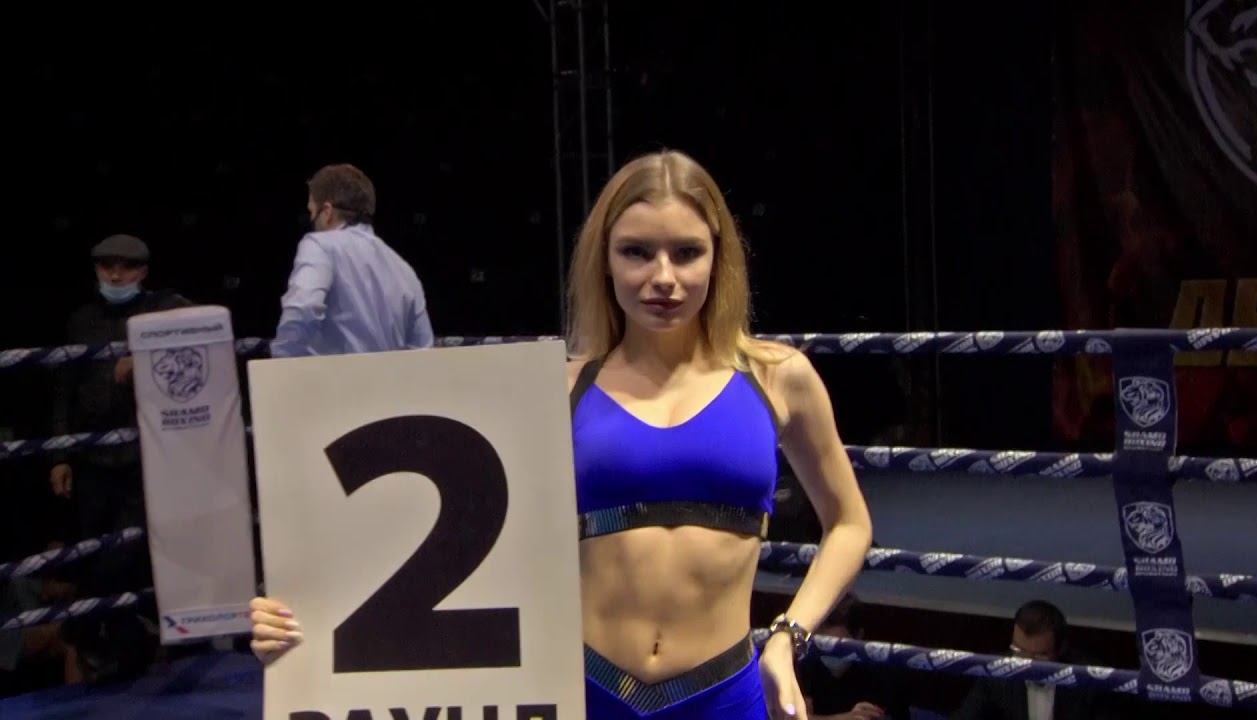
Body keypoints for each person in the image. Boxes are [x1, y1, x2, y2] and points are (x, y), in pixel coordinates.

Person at [251, 150, 874, 719]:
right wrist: (304, 617)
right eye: (636, 252)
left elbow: (848, 522)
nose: (663, 276)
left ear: (719, 256)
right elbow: (420, 524)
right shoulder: (554, 388)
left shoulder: (778, 377)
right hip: (581, 691)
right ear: (604, 258)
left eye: (687, 252)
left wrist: (788, 636)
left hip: (726, 694)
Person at [49, 233, 190, 683]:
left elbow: (197, 320)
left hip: (141, 455)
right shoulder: (81, 319)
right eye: (107, 265)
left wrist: (145, 353)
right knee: (93, 551)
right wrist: (60, 454)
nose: (115, 274)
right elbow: (64, 390)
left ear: (142, 272)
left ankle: (109, 639)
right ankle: (102, 646)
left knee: (129, 552)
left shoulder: (157, 312)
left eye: (125, 267)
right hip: (91, 457)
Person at [270, 163, 434, 357]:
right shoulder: (403, 268)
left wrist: (281, 362)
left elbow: (303, 308)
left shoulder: (320, 245)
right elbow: (423, 350)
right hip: (392, 377)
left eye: (312, 211)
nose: (311, 218)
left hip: (333, 376)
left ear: (327, 212)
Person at [953, 600, 1109, 720]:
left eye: (1039, 656)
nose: (1026, 665)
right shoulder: (996, 674)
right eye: (1019, 652)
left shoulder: (1089, 679)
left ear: (1060, 650)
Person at [798, 594, 911, 719]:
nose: (829, 653)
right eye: (823, 645)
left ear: (858, 636)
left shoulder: (883, 676)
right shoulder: (805, 664)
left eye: (837, 647)